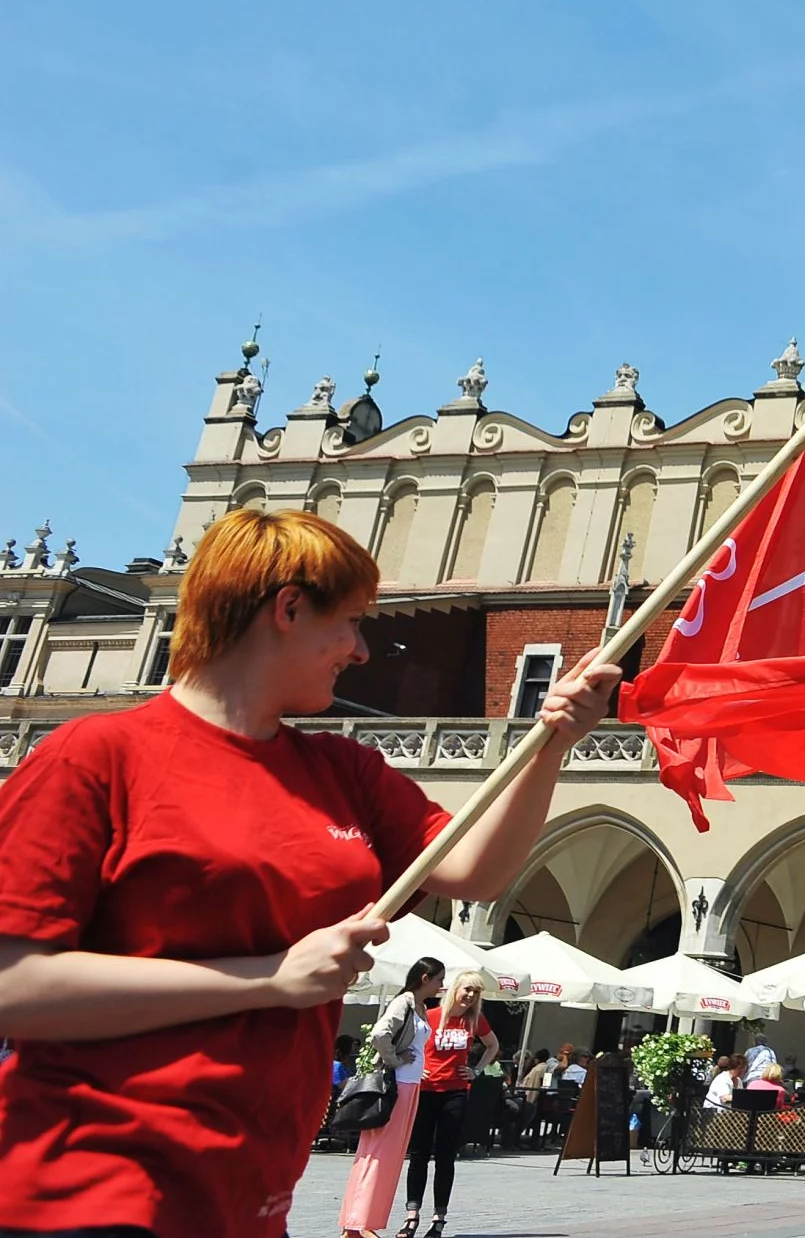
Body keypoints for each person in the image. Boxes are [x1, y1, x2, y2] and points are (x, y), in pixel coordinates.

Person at [0, 508, 622, 1238]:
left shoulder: (343, 770)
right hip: (91, 1183)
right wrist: (268, 977)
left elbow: (474, 870)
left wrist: (553, 743)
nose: (361, 651)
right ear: (288, 608)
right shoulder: (98, 755)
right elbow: (14, 984)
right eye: (351, 622)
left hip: (251, 1194)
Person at [340, 956, 442, 1238]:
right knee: (378, 1154)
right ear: (425, 978)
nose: (441, 985)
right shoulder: (405, 1002)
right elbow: (379, 1033)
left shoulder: (419, 1006)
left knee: (390, 1156)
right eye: (438, 979)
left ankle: (361, 1221)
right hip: (395, 1086)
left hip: (409, 1086)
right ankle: (357, 1223)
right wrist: (395, 1060)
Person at [400, 970, 496, 1238]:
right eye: (467, 989)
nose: (470, 996)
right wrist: (414, 1066)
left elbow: (492, 1046)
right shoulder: (428, 1016)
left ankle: (439, 1219)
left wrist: (476, 1071)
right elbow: (404, 1046)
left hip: (455, 1092)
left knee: (445, 1156)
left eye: (475, 992)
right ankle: (411, 1216)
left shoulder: (474, 1021)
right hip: (426, 1090)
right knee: (418, 1154)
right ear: (454, 988)